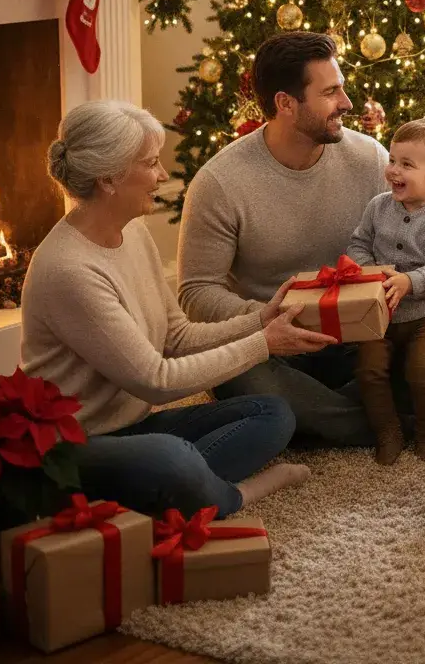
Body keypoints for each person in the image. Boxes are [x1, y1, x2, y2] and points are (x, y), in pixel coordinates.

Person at [20, 101, 334, 519]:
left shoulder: (131, 232)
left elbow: (176, 337)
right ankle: (232, 494)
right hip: (78, 443)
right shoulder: (69, 270)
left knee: (272, 411)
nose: (163, 175)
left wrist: (261, 319)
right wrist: (264, 344)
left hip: (135, 426)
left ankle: (175, 489)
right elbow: (157, 381)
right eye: (151, 164)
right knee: (168, 458)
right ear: (109, 178)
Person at [177, 32, 425, 448]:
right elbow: (195, 293)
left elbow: (411, 233)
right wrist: (269, 316)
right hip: (279, 344)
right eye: (331, 91)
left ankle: (322, 424)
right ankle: (398, 424)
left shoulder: (371, 158)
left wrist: (421, 279)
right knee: (242, 375)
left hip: (362, 335)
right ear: (286, 103)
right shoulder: (219, 183)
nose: (347, 102)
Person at [347, 118, 425, 464]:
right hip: (378, 314)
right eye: (393, 160)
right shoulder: (378, 206)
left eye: (406, 165)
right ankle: (388, 430)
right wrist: (372, 269)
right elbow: (358, 245)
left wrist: (410, 282)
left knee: (423, 371)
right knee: (369, 370)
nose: (393, 171)